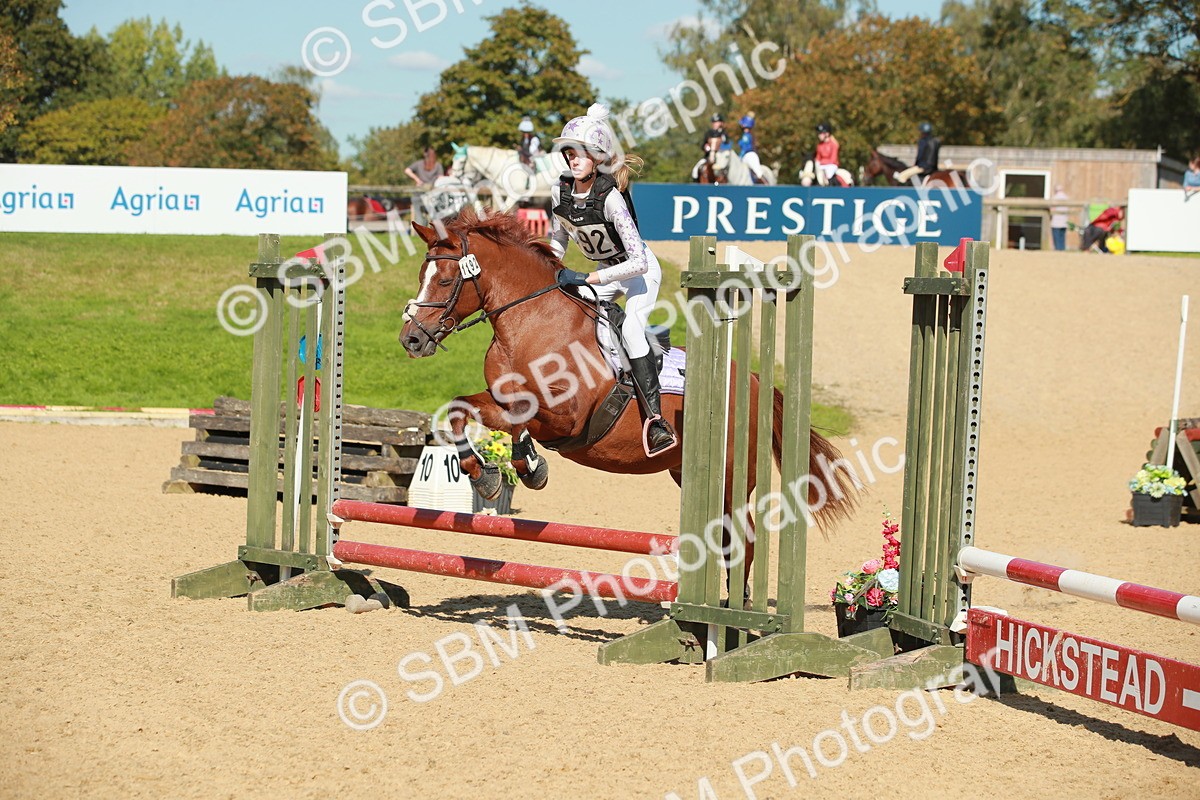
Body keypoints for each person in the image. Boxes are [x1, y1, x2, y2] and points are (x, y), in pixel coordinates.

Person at [550, 102, 677, 456]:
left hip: (639, 272)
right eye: (569, 153)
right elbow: (557, 241)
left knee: (633, 330)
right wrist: (546, 268)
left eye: (579, 153)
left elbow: (637, 260)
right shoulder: (560, 193)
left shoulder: (611, 199)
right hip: (606, 274)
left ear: (597, 158)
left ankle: (656, 422)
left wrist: (589, 276)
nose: (572, 159)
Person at [737, 112, 765, 184]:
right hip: (746, 156)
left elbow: (745, 148)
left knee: (759, 174)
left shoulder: (747, 136)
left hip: (749, 155)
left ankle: (767, 187)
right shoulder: (747, 135)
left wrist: (740, 157)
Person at [813, 122, 840, 187]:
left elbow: (833, 160)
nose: (819, 135)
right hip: (822, 166)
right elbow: (818, 158)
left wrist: (821, 163)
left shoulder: (833, 144)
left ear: (827, 134)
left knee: (828, 174)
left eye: (821, 133)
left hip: (831, 166)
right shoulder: (819, 145)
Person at [1049, 185, 1070, 251]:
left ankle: (1058, 251)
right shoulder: (1066, 198)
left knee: (1057, 239)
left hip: (1056, 222)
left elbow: (1052, 209)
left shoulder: (1054, 198)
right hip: (1064, 222)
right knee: (1062, 238)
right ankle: (1062, 250)